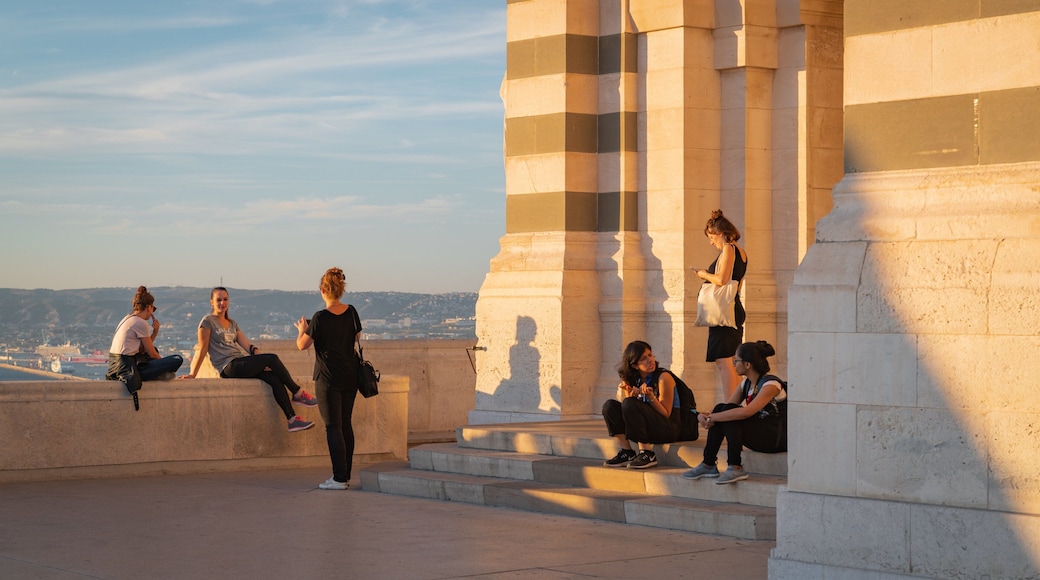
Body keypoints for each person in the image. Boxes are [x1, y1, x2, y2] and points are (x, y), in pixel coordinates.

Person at [185, 286, 317, 432]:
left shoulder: (232, 323)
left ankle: (292, 419)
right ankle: (297, 393)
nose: (222, 303)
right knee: (272, 358)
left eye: (225, 299)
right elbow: (203, 348)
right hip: (227, 367)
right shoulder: (207, 321)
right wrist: (193, 375)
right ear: (211, 302)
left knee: (273, 378)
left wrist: (261, 362)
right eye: (218, 300)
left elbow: (248, 346)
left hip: (239, 361)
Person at [682, 340, 787, 484]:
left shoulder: (771, 385)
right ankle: (708, 463)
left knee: (729, 414)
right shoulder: (747, 383)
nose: (733, 364)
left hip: (775, 438)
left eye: (736, 361)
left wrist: (712, 418)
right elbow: (727, 407)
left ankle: (735, 466)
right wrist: (705, 415)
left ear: (747, 364)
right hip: (760, 433)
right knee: (723, 408)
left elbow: (747, 412)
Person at [294, 267, 362, 490]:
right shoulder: (352, 312)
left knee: (333, 427)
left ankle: (339, 478)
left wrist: (302, 329)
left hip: (327, 378)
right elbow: (357, 336)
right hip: (350, 376)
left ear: (323, 290)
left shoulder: (320, 318)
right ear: (341, 289)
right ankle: (345, 474)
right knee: (345, 425)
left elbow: (302, 345)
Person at [602, 341, 694, 469]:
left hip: (670, 428)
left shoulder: (663, 377)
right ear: (634, 365)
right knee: (609, 406)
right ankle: (627, 452)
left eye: (650, 355)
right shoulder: (635, 379)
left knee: (630, 403)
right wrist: (631, 395)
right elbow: (630, 410)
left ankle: (647, 453)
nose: (649, 360)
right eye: (643, 359)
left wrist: (650, 397)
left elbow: (666, 413)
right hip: (649, 426)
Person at [695, 209, 748, 400]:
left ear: (720, 233)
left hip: (724, 313)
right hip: (732, 308)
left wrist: (703, 274)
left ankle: (730, 405)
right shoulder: (741, 252)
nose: (711, 242)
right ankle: (733, 404)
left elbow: (722, 279)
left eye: (711, 237)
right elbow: (737, 283)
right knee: (730, 361)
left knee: (724, 361)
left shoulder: (728, 249)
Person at [106, 286, 184, 407]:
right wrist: (163, 365)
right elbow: (151, 353)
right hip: (130, 370)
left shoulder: (127, 319)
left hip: (119, 367)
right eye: (153, 308)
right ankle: (160, 374)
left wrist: (155, 332)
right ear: (148, 307)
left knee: (157, 354)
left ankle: (160, 373)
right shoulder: (141, 323)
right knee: (177, 359)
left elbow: (142, 349)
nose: (152, 312)